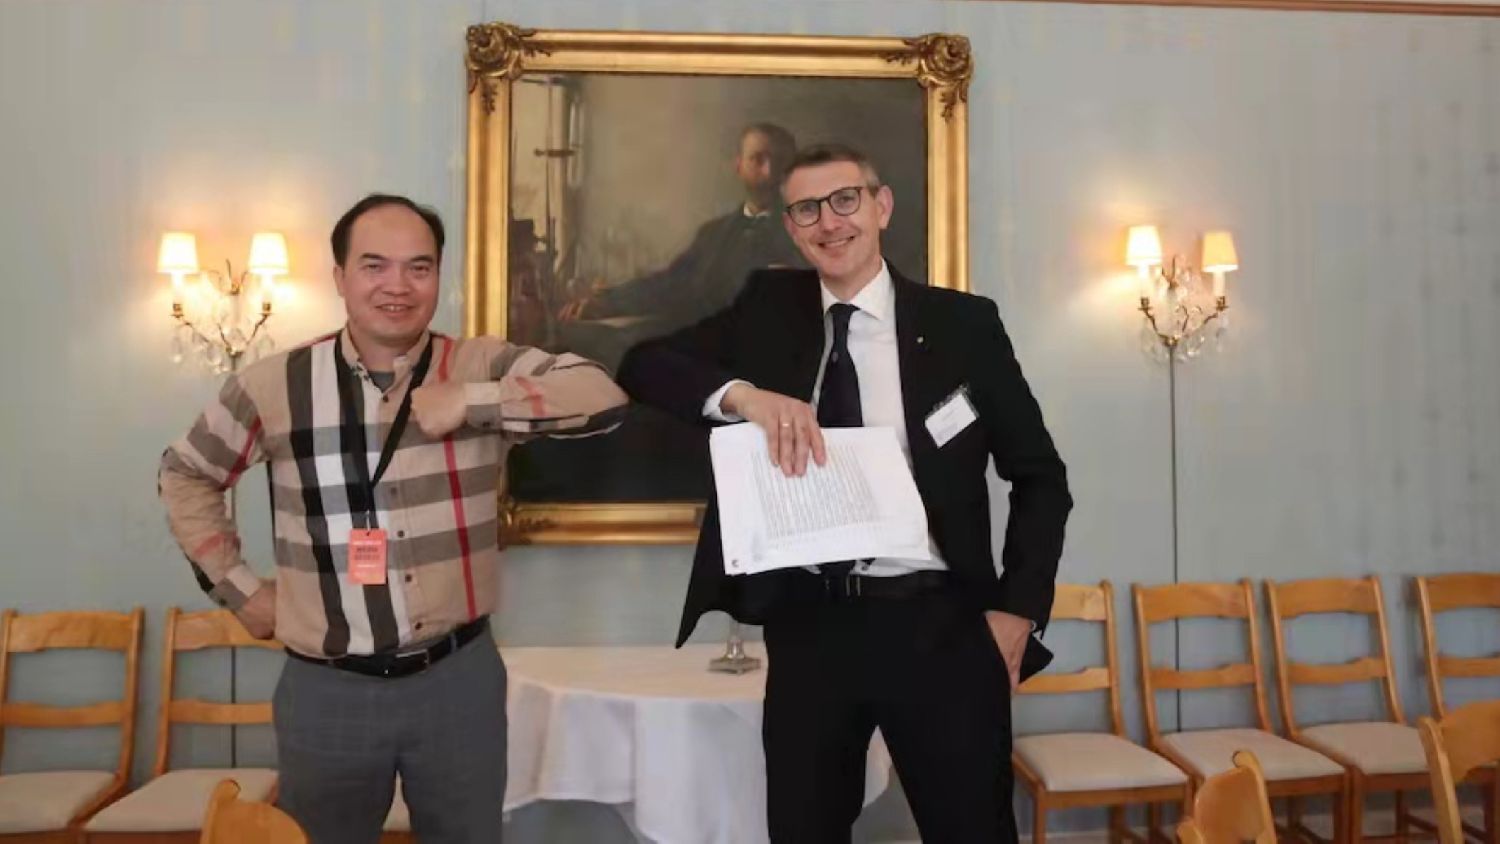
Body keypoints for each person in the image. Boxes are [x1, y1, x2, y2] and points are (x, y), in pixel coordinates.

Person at [618, 144, 1072, 843]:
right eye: (806, 209)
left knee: (972, 830)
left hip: (941, 625)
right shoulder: (768, 309)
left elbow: (1041, 477)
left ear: (881, 206)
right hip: (811, 628)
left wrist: (1018, 610)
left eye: (845, 200)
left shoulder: (963, 325)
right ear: (791, 228)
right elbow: (642, 364)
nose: (829, 222)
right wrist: (745, 397)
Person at [158, 194, 626, 844]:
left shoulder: (478, 364)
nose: (397, 286)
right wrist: (241, 592)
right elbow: (184, 473)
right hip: (328, 689)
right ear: (340, 277)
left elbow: (602, 396)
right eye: (374, 266)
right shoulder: (274, 384)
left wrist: (474, 401)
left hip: (458, 682)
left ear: (438, 277)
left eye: (418, 267)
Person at [559, 122, 805, 332]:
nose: (769, 171)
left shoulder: (811, 234)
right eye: (758, 159)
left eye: (780, 161)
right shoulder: (714, 234)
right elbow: (670, 283)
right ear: (738, 166)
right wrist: (607, 301)